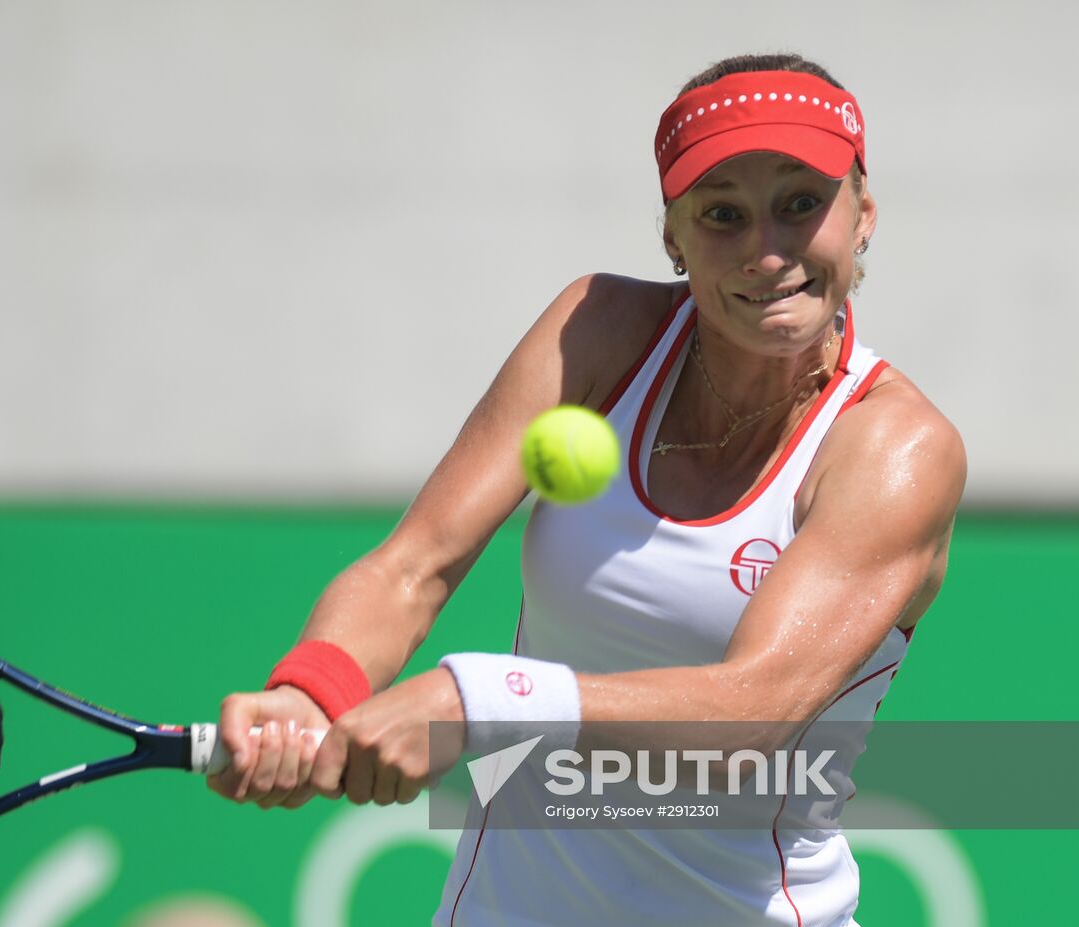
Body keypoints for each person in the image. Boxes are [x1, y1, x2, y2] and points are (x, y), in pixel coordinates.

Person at [208, 52, 966, 925]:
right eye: (723, 215)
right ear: (673, 239)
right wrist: (311, 694)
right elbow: (411, 567)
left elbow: (750, 714)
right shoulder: (598, 334)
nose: (767, 252)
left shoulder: (897, 447)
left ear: (862, 216)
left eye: (801, 204)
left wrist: (479, 700)